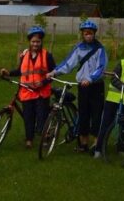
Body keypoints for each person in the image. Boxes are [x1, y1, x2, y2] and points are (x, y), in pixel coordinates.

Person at [46, 20, 107, 153]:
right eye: (86, 33)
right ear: (82, 34)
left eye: (90, 33)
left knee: (96, 114)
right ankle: (83, 144)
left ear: (94, 34)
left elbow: (101, 67)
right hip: (83, 87)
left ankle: (97, 143)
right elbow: (68, 63)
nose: (88, 36)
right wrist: (54, 72)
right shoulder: (79, 48)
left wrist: (90, 78)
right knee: (84, 114)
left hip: (96, 86)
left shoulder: (100, 49)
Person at [0, 26, 55, 148]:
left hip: (42, 92)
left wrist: (44, 82)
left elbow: (53, 73)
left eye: (38, 41)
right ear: (29, 42)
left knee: (41, 118)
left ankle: (45, 135)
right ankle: (29, 139)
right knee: (28, 117)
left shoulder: (47, 56)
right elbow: (21, 71)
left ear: (41, 42)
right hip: (27, 91)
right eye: (33, 41)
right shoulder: (25, 55)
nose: (35, 44)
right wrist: (8, 72)